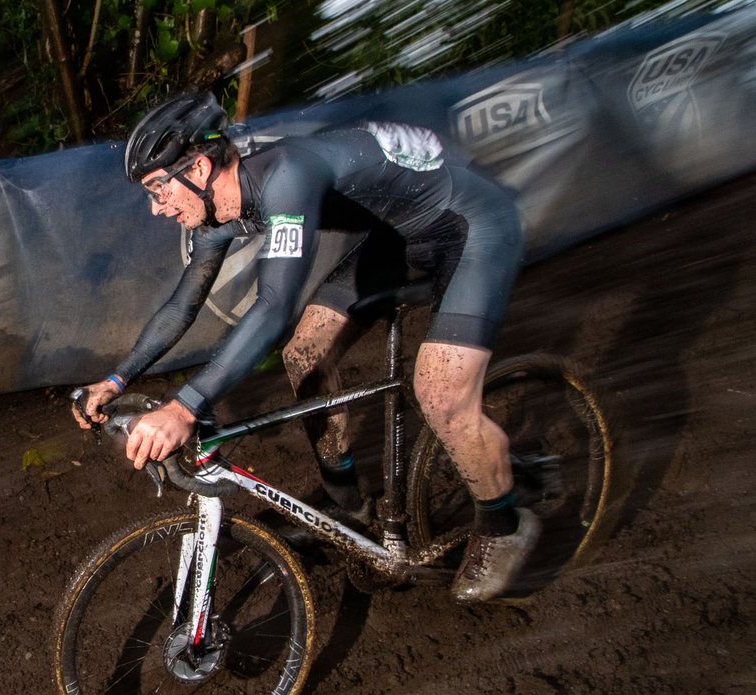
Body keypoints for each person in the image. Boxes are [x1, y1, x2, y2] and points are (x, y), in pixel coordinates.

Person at [72, 91, 537, 603]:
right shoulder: (214, 214)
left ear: (200, 168)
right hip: (394, 236)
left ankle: (504, 523)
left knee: (442, 393)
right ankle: (347, 507)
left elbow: (274, 307)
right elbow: (183, 306)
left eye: (159, 191)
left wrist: (185, 407)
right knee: (305, 354)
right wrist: (116, 379)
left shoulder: (287, 175)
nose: (158, 209)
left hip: (471, 225)